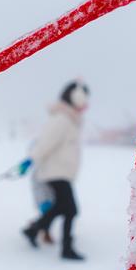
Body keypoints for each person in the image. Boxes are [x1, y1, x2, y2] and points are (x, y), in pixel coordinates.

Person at [18, 80, 89, 260]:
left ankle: (33, 230)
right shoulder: (62, 119)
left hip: (60, 172)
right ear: (76, 98)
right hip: (55, 172)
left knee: (62, 207)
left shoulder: (69, 120)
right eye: (84, 97)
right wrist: (30, 160)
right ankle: (66, 248)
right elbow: (45, 143)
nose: (86, 103)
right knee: (71, 210)